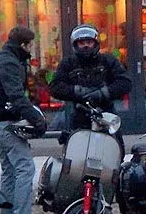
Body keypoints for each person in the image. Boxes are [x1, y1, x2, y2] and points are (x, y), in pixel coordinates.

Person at [0, 26, 48, 214]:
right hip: (5, 122)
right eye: (30, 45)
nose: (31, 48)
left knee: (10, 170)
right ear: (23, 45)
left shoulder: (5, 57)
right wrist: (36, 119)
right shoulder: (9, 62)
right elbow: (16, 97)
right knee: (25, 167)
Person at [48, 24, 133, 152]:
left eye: (89, 42)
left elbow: (125, 83)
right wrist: (77, 91)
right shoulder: (68, 63)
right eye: (82, 43)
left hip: (106, 116)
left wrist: (103, 93)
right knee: (75, 155)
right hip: (80, 117)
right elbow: (55, 87)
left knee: (115, 152)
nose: (86, 46)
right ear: (76, 45)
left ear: (96, 43)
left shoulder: (108, 61)